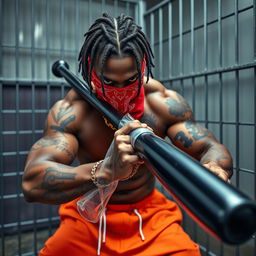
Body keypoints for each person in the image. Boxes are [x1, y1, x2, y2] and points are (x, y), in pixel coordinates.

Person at [22, 13, 233, 256]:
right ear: (91, 72)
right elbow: (32, 182)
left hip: (150, 217)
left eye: (131, 80)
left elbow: (210, 147)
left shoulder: (161, 103)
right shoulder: (72, 111)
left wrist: (214, 167)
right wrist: (104, 171)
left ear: (143, 67)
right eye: (109, 82)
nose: (120, 92)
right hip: (88, 218)